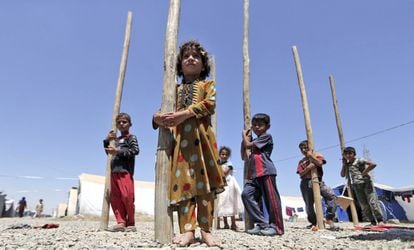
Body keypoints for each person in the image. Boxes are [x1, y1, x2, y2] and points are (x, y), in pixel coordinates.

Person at [152, 40, 225, 247]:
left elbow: (209, 104)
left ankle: (207, 230)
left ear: (203, 64)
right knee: (184, 188)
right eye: (186, 56)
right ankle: (188, 231)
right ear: (179, 64)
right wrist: (156, 118)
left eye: (196, 56)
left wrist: (183, 114)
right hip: (181, 147)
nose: (191, 58)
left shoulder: (206, 85)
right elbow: (164, 111)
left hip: (203, 144)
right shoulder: (173, 90)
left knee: (206, 189)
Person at [241, 113, 284, 236]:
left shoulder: (266, 137)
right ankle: (262, 223)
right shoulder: (254, 141)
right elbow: (244, 155)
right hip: (254, 175)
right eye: (254, 125)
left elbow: (248, 145)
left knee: (271, 200)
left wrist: (244, 137)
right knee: (246, 195)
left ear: (267, 126)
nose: (256, 127)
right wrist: (243, 140)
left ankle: (276, 227)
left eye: (260, 125)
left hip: (265, 171)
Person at [103, 112, 140, 232]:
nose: (121, 124)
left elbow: (135, 151)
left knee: (127, 196)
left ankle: (131, 223)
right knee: (115, 198)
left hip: (125, 171)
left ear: (130, 124)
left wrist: (118, 151)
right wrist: (106, 140)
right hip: (114, 171)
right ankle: (121, 221)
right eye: (119, 122)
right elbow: (109, 153)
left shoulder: (131, 138)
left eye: (124, 122)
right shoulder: (116, 140)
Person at [296, 140, 339, 231]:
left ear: (311, 147)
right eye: (301, 149)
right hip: (306, 183)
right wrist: (308, 168)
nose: (304, 150)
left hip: (318, 181)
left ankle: (329, 218)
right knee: (309, 204)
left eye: (306, 147)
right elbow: (300, 174)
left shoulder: (317, 155)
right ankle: (313, 222)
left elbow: (320, 163)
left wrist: (311, 156)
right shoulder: (301, 161)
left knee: (331, 196)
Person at [341, 146, 384, 226]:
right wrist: (343, 165)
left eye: (350, 153)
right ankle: (372, 221)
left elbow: (373, 164)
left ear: (354, 154)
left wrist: (364, 172)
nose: (348, 155)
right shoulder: (347, 164)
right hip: (357, 186)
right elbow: (342, 175)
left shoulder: (359, 160)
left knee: (373, 202)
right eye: (346, 154)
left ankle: (380, 220)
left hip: (366, 183)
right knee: (363, 204)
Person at [216, 146, 243, 231]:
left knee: (231, 203)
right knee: (223, 203)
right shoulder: (219, 164)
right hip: (222, 185)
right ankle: (225, 223)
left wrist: (216, 169)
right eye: (222, 154)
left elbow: (224, 172)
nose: (224, 156)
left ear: (228, 156)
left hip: (229, 185)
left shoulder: (229, 164)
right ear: (220, 155)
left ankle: (233, 223)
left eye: (226, 155)